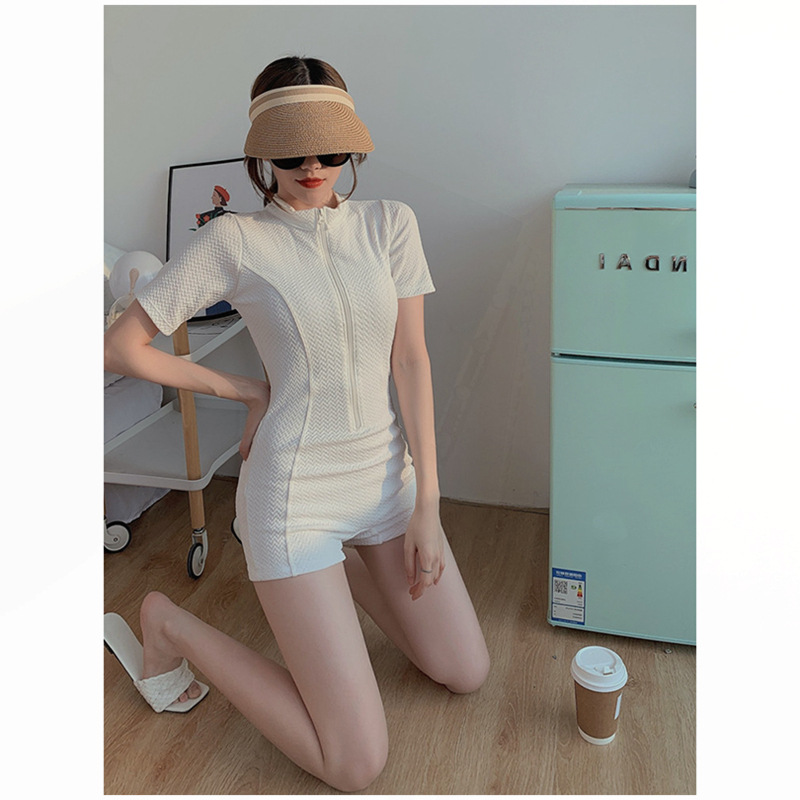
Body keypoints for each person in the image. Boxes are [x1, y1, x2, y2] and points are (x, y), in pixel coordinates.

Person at [103, 55, 490, 793]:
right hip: (294, 496)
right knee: (355, 764)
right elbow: (120, 347)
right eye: (291, 153)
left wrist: (429, 504)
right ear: (262, 157)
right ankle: (168, 624)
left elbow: (410, 360)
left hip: (386, 481)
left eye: (330, 151)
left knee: (465, 671)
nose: (313, 167)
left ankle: (334, 580)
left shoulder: (389, 224)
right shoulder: (235, 241)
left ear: (351, 149)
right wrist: (246, 390)